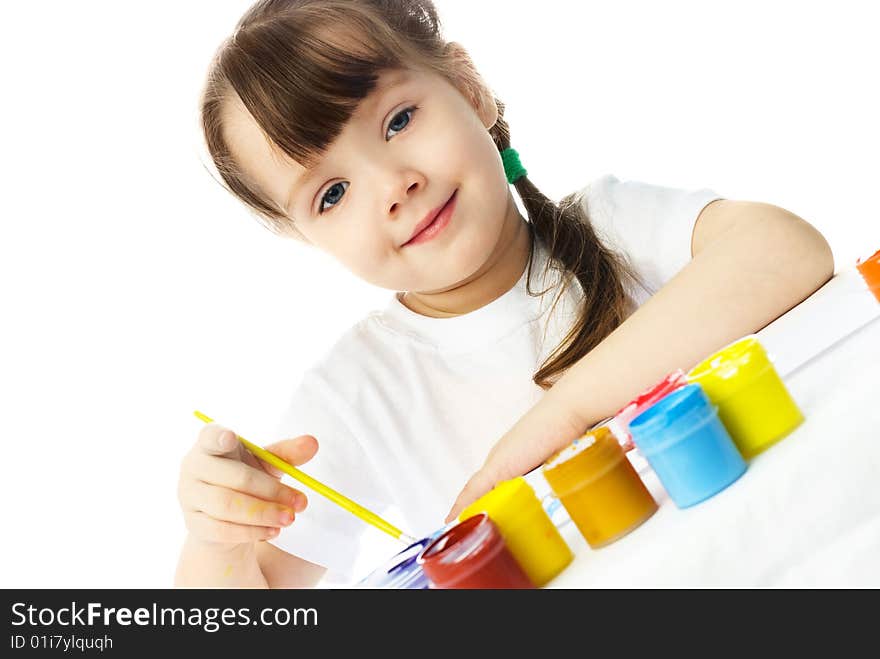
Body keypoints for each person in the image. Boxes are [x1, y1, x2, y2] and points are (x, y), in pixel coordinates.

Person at [175, 0, 834, 588]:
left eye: (398, 119)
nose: (393, 185)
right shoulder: (355, 396)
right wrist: (216, 539)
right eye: (333, 193)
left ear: (470, 88)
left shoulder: (610, 226)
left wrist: (563, 416)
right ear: (306, 237)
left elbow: (784, 249)